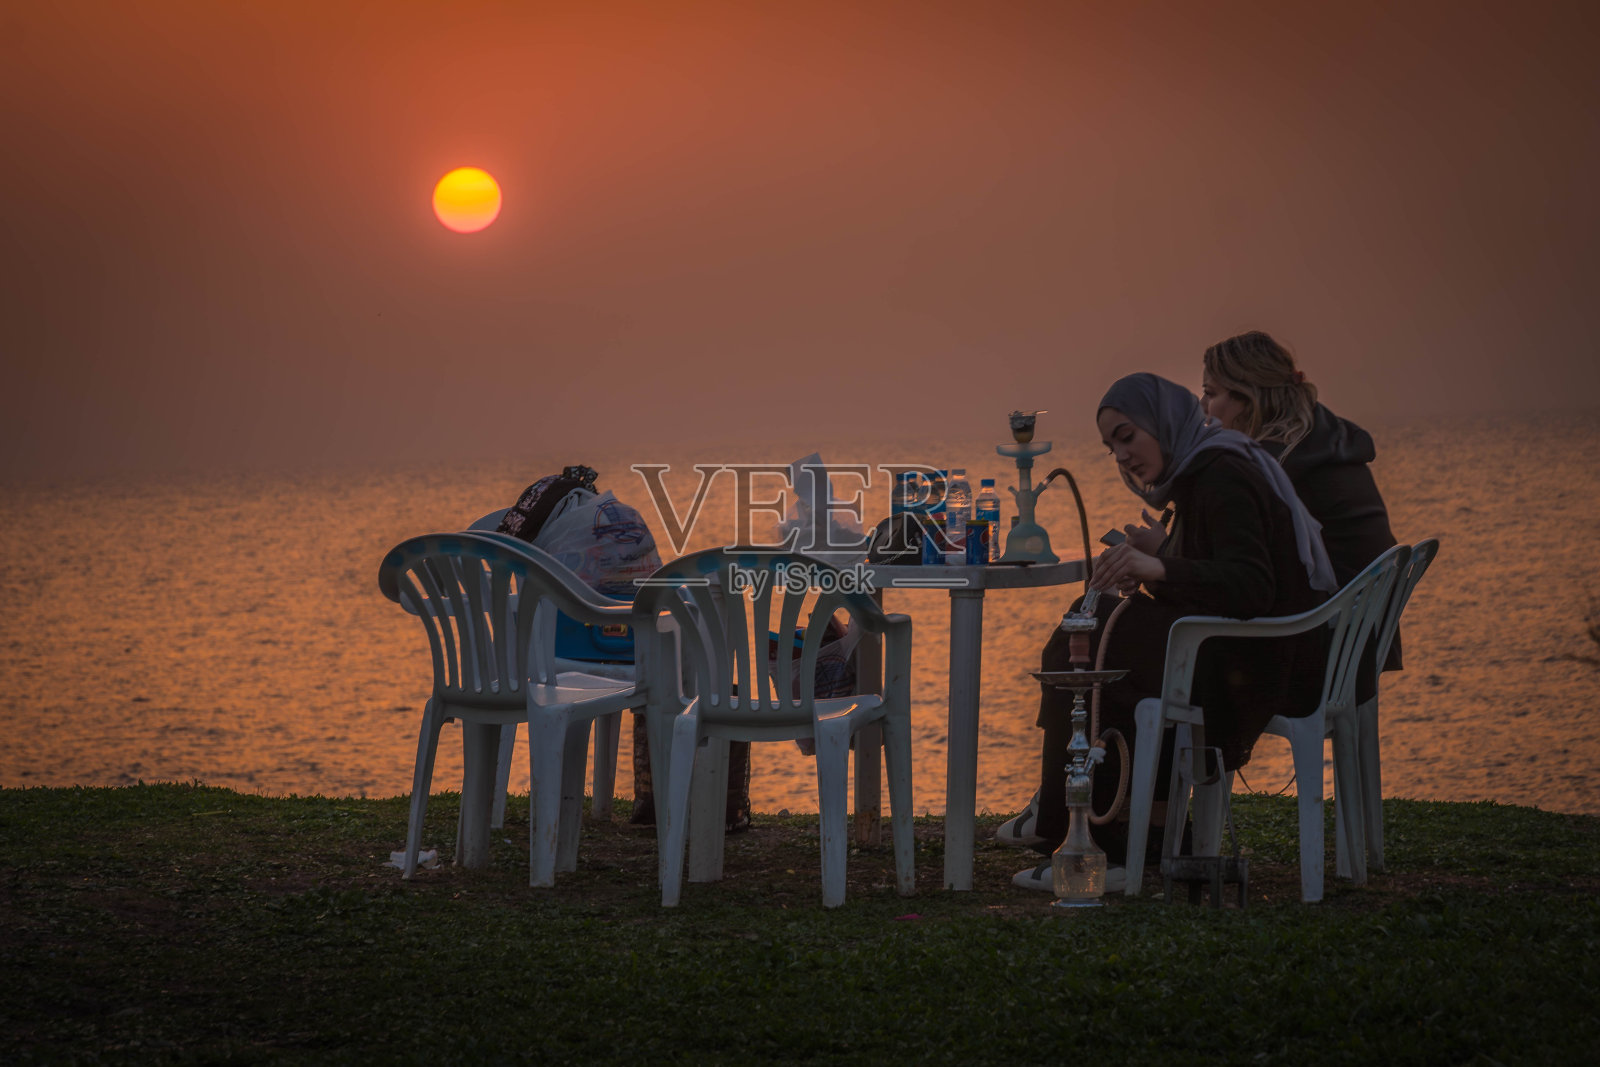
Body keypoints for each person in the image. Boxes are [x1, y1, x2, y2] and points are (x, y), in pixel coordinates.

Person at [1005, 373, 1337, 891]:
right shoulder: (1212, 464)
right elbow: (1223, 574)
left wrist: (1157, 569)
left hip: (1255, 666)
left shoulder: (1222, 473)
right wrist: (1157, 560)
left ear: (1162, 424)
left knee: (1092, 642)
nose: (1121, 455)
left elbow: (1252, 586)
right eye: (1111, 445)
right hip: (1249, 651)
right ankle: (1111, 829)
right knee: (1088, 627)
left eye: (1128, 436)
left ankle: (1098, 846)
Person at [1200, 330, 1402, 691]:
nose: (1202, 405)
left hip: (1316, 651)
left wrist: (1160, 553)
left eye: (1211, 393)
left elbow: (1240, 571)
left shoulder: (1274, 464)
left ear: (1246, 398)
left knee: (1151, 645)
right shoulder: (1322, 441)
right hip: (1359, 648)